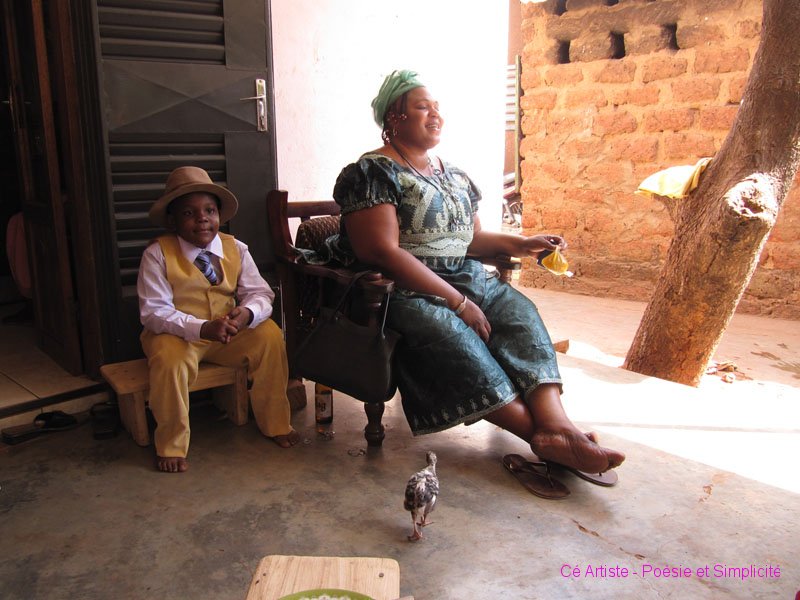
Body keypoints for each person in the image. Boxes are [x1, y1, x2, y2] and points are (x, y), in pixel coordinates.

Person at [324, 70, 625, 481]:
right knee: (452, 335)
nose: (436, 115)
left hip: (465, 277)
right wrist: (458, 302)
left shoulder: (453, 174)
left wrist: (523, 243)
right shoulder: (372, 173)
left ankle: (559, 427)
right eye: (423, 107)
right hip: (404, 290)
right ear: (394, 117)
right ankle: (540, 436)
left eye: (437, 107)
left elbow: (473, 239)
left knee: (519, 315)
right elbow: (381, 252)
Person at [137, 166, 300, 473]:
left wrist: (247, 313)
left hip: (226, 333)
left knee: (269, 336)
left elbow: (260, 293)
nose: (202, 219)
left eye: (209, 211)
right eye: (189, 213)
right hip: (177, 335)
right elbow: (154, 312)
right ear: (172, 221)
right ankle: (171, 444)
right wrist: (202, 328)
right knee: (169, 361)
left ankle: (276, 422)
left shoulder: (235, 248)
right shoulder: (158, 254)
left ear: (219, 215)